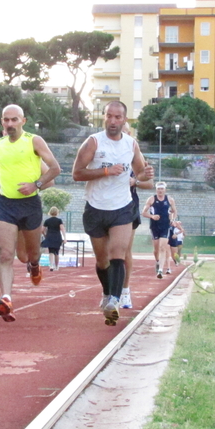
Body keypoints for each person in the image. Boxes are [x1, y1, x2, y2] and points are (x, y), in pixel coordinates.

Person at [72, 100, 154, 326]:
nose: (113, 121)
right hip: (96, 208)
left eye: (118, 117)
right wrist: (106, 171)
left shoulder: (131, 144)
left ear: (124, 120)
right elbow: (77, 174)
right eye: (109, 116)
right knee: (102, 260)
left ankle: (115, 302)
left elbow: (141, 175)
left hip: (122, 208)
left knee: (118, 254)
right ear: (104, 117)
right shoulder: (93, 143)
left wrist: (146, 173)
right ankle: (108, 293)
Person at [0, 104, 61, 322]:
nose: (10, 124)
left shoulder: (33, 141)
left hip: (30, 204)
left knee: (30, 255)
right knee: (6, 254)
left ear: (23, 121)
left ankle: (35, 265)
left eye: (14, 120)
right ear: (2, 122)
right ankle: (6, 298)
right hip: (5, 206)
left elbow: (55, 168)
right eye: (6, 120)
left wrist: (35, 184)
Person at [119, 123, 155, 310]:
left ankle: (125, 291)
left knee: (124, 251)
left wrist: (135, 182)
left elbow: (150, 184)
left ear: (129, 134)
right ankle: (109, 291)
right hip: (106, 206)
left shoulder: (137, 157)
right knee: (107, 254)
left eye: (124, 131)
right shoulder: (104, 152)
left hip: (129, 207)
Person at [142, 182, 178, 278]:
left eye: (162, 189)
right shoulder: (151, 199)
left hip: (165, 226)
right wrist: (152, 216)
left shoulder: (170, 200)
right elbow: (143, 213)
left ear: (165, 190)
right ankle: (158, 261)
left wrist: (172, 219)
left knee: (163, 247)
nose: (160, 191)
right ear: (156, 189)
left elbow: (175, 212)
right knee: (156, 249)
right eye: (158, 189)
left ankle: (160, 271)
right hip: (154, 226)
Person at [42, 207, 66, 272]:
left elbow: (42, 230)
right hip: (57, 237)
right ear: (57, 212)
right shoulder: (59, 220)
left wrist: (45, 235)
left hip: (49, 237)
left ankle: (51, 265)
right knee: (57, 252)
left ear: (50, 212)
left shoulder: (47, 221)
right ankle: (56, 266)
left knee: (51, 251)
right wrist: (65, 238)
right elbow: (62, 229)